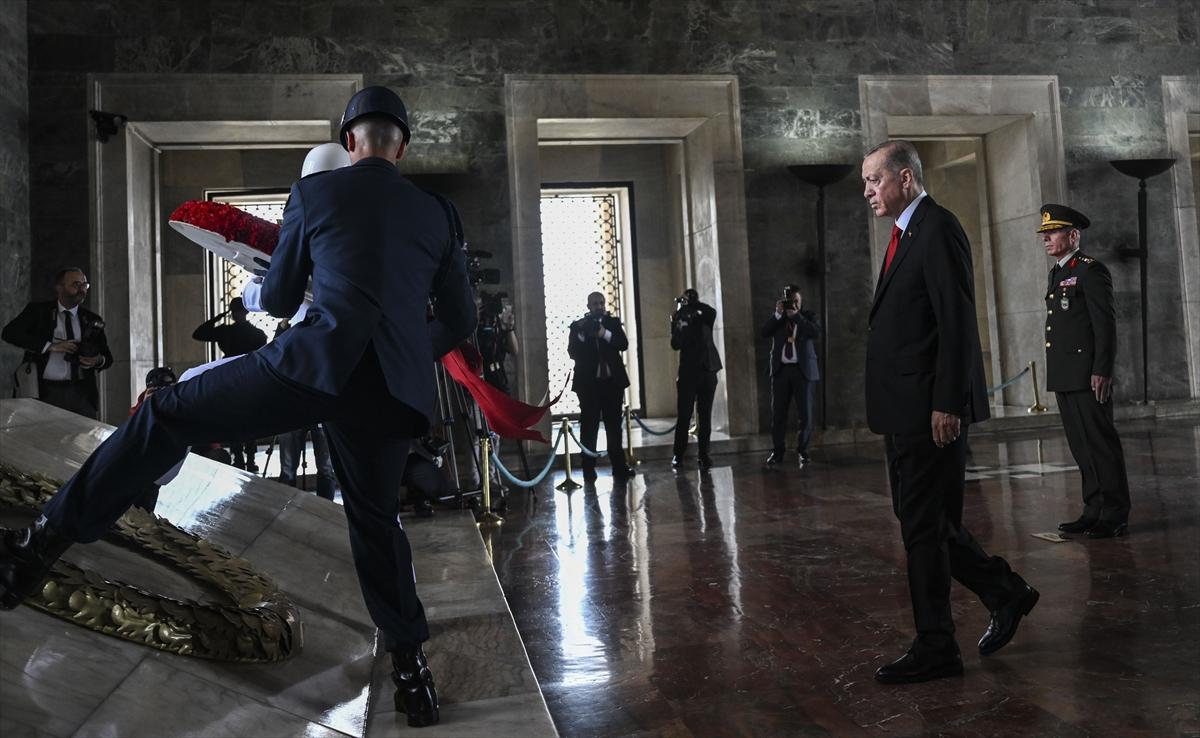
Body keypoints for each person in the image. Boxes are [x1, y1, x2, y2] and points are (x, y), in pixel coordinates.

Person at [0, 86, 476, 728]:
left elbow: (278, 301)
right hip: (388, 389)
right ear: (403, 146)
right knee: (375, 521)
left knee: (167, 412)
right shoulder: (438, 214)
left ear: (348, 141)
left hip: (310, 367)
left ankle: (34, 552)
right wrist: (407, 352)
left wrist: (269, 284)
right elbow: (460, 318)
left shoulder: (315, 193)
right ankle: (415, 678)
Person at [862, 140, 1038, 684]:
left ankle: (937, 646)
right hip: (903, 408)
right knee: (927, 523)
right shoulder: (906, 233)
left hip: (927, 410)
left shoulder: (938, 228)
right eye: (866, 182)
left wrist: (947, 402)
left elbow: (957, 323)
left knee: (923, 529)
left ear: (907, 179)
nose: (868, 191)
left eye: (875, 180)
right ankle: (1005, 591)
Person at [1039, 204, 1131, 539]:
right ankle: (1093, 509)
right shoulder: (1058, 272)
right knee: (1081, 445)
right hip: (1065, 373)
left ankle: (1115, 512)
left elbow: (1104, 325)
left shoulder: (1091, 270)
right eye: (1045, 234)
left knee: (1100, 444)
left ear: (1073, 235)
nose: (1047, 238)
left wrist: (1102, 370)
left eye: (1054, 232)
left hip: (1088, 374)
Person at [2, 267, 112, 419]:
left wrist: (97, 360)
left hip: (82, 394)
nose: (82, 289)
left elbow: (107, 357)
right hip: (45, 391)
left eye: (85, 285)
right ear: (59, 287)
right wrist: (49, 346)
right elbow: (9, 333)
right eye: (76, 285)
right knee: (44, 439)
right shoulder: (38, 311)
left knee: (86, 440)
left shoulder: (92, 319)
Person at [192, 297, 269, 471]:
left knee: (235, 416)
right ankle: (248, 458)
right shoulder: (258, 334)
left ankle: (241, 457)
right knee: (248, 418)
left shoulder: (226, 332)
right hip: (249, 377)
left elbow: (199, 333)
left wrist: (220, 316)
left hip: (230, 376)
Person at [568, 292, 636, 481]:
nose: (599, 306)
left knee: (614, 426)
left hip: (612, 383)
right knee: (589, 426)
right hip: (589, 384)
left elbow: (622, 344)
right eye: (595, 303)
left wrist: (603, 333)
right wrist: (582, 336)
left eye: (601, 303)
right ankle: (588, 469)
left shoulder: (613, 323)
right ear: (588, 306)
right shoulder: (578, 326)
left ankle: (619, 466)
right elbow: (572, 352)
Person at [761, 284, 821, 465]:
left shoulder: (808, 317)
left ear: (801, 302)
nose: (793, 304)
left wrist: (797, 317)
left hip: (803, 371)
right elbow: (764, 332)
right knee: (778, 414)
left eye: (796, 301)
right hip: (781, 371)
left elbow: (815, 332)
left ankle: (803, 450)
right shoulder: (778, 319)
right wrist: (778, 314)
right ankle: (778, 451)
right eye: (790, 301)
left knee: (806, 414)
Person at [669, 288, 721, 470]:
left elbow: (711, 312)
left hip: (707, 369)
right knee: (684, 416)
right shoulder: (679, 317)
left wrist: (693, 303)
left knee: (705, 416)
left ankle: (704, 454)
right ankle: (678, 454)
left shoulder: (703, 315)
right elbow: (675, 344)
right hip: (688, 373)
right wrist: (677, 320)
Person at [476, 290, 518, 393]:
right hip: (476, 368)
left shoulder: (500, 326)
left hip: (496, 374)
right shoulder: (478, 321)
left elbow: (514, 350)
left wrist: (510, 328)